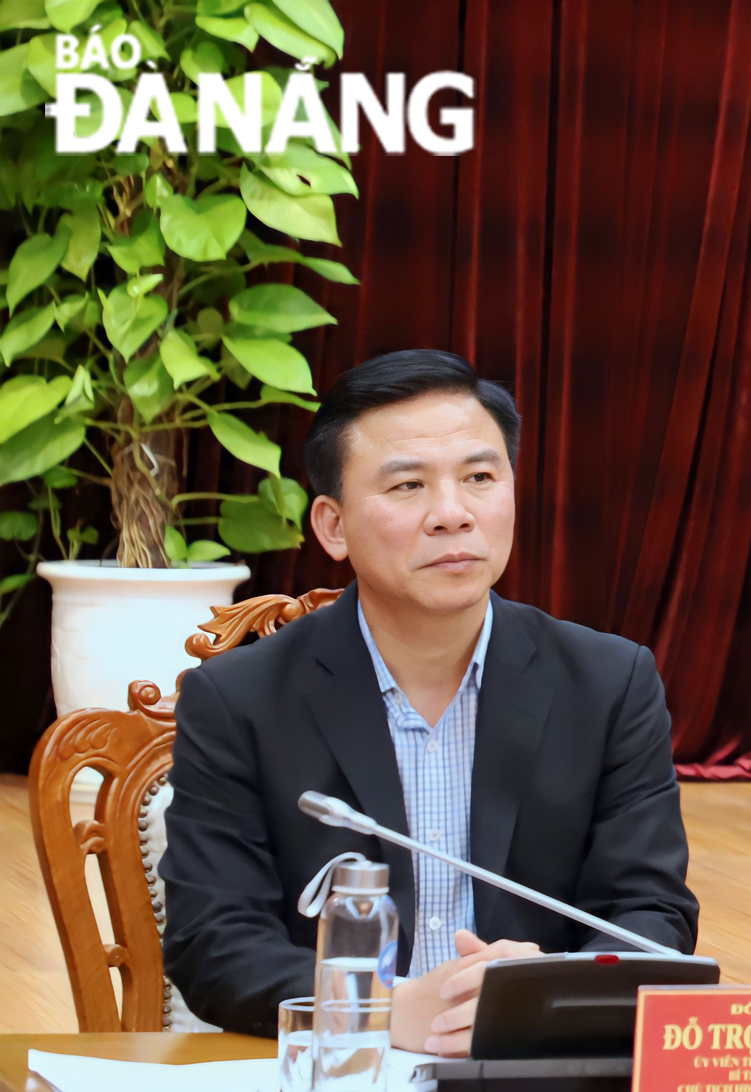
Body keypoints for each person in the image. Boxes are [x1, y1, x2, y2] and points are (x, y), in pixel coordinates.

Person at [162, 349, 699, 1055]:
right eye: (408, 486)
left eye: (480, 477)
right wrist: (381, 1009)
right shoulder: (239, 700)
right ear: (331, 525)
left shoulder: (608, 683)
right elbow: (214, 943)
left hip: (538, 1076)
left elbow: (651, 915)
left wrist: (551, 987)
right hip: (339, 1078)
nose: (453, 514)